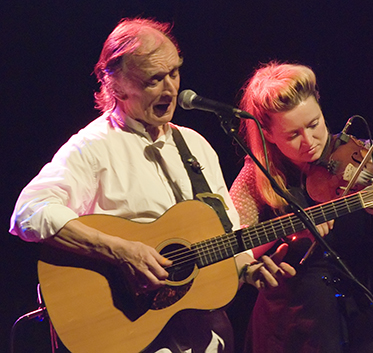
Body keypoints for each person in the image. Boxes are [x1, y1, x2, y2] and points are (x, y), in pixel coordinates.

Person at [9, 18, 290, 353]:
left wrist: (247, 267)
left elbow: (224, 235)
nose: (170, 88)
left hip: (203, 334)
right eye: (154, 79)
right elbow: (29, 213)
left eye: (174, 72)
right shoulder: (93, 147)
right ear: (113, 82)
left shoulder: (195, 146)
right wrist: (120, 251)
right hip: (131, 334)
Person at [229, 61, 373, 352]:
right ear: (268, 134)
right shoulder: (256, 176)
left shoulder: (362, 155)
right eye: (292, 135)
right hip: (293, 330)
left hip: (369, 321)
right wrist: (288, 232)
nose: (309, 141)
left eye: (314, 124)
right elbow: (233, 251)